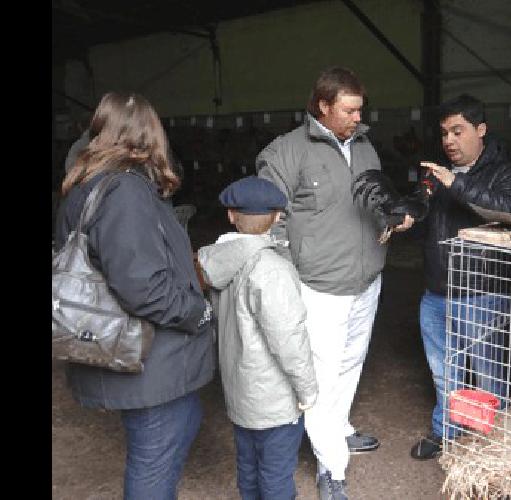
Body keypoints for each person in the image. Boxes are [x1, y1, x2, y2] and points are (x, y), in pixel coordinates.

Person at [256, 66, 412, 500]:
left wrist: (392, 217)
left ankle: (338, 431)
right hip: (321, 285)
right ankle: (330, 465)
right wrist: (288, 269)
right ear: (323, 106)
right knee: (320, 377)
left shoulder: (365, 147)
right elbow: (267, 217)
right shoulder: (288, 151)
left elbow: (373, 200)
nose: (357, 118)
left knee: (350, 362)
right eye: (349, 110)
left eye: (361, 109)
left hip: (366, 279)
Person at [55, 91, 215, 500]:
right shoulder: (125, 191)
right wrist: (198, 312)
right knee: (154, 458)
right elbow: (142, 288)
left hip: (129, 348)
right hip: (149, 355)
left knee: (175, 430)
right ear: (150, 134)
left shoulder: (84, 184)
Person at [410, 94, 511, 460]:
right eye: (445, 133)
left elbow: (510, 210)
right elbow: (426, 223)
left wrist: (454, 184)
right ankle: (447, 430)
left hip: (481, 292)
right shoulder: (436, 173)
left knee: (488, 371)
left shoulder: (503, 171)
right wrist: (408, 216)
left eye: (458, 131)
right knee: (444, 371)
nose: (449, 141)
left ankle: (496, 442)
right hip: (436, 291)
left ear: (481, 130)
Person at [196, 176, 319, 500]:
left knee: (248, 466)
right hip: (274, 399)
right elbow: (288, 338)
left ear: (231, 215)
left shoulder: (218, 261)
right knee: (276, 474)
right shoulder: (272, 269)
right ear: (278, 217)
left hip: (240, 393)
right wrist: (306, 388)